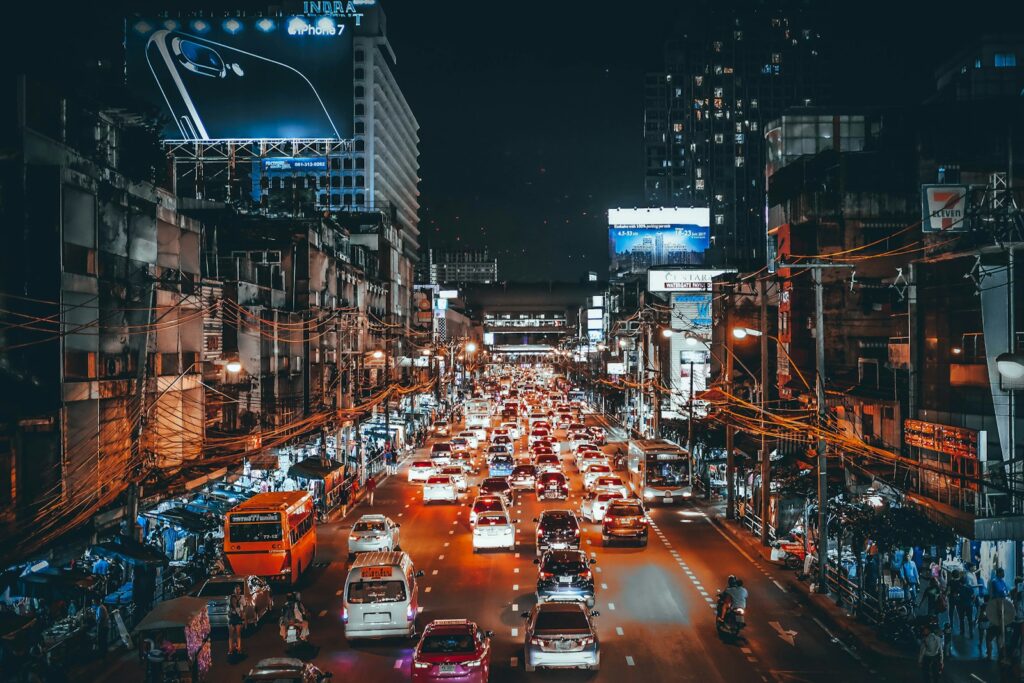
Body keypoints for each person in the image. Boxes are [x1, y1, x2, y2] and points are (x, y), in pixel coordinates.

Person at [227, 584, 245, 655]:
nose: (237, 591)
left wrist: (244, 619)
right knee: (231, 635)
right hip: (232, 619)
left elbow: (243, 610)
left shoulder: (241, 599)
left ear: (240, 590)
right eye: (236, 589)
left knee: (238, 634)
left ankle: (239, 649)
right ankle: (231, 649)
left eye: (238, 589)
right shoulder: (231, 598)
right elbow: (228, 611)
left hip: (238, 619)